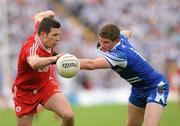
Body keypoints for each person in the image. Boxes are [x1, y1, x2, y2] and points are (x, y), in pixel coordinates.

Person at [79, 24, 169, 126]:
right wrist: (110, 39)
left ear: (116, 40)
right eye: (100, 41)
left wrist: (69, 61)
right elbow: (128, 32)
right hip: (138, 89)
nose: (102, 45)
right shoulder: (121, 37)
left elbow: (91, 65)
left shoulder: (119, 55)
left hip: (156, 86)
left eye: (106, 42)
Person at [12, 10, 74, 126]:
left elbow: (38, 17)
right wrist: (54, 59)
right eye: (54, 35)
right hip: (25, 92)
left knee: (68, 116)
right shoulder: (31, 47)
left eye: (59, 35)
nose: (58, 38)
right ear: (44, 35)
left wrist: (48, 13)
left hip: (45, 86)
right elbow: (34, 63)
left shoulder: (42, 30)